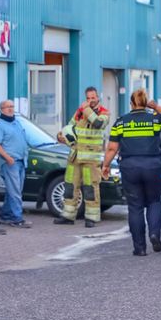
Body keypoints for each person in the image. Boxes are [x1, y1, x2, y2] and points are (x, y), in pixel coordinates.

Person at [102, 89, 161, 256]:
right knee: (154, 201)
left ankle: (139, 248)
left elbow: (112, 148)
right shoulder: (155, 119)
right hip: (152, 166)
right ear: (146, 101)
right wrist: (157, 108)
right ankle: (154, 234)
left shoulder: (121, 122)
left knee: (135, 207)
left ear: (131, 103)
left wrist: (105, 165)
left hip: (130, 167)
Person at [55, 87, 109, 228]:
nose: (90, 101)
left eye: (93, 98)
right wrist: (62, 137)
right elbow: (70, 127)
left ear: (98, 98)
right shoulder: (80, 111)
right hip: (75, 156)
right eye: (88, 98)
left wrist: (85, 109)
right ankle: (68, 215)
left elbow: (98, 124)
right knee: (70, 186)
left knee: (90, 188)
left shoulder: (104, 112)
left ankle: (91, 218)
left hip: (91, 159)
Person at [0, 100, 32, 228]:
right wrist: (7, 157)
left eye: (12, 106)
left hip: (20, 161)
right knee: (15, 192)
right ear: (2, 109)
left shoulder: (16, 123)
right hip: (10, 162)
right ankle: (17, 218)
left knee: (14, 191)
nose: (10, 109)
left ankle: (5, 216)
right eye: (7, 107)